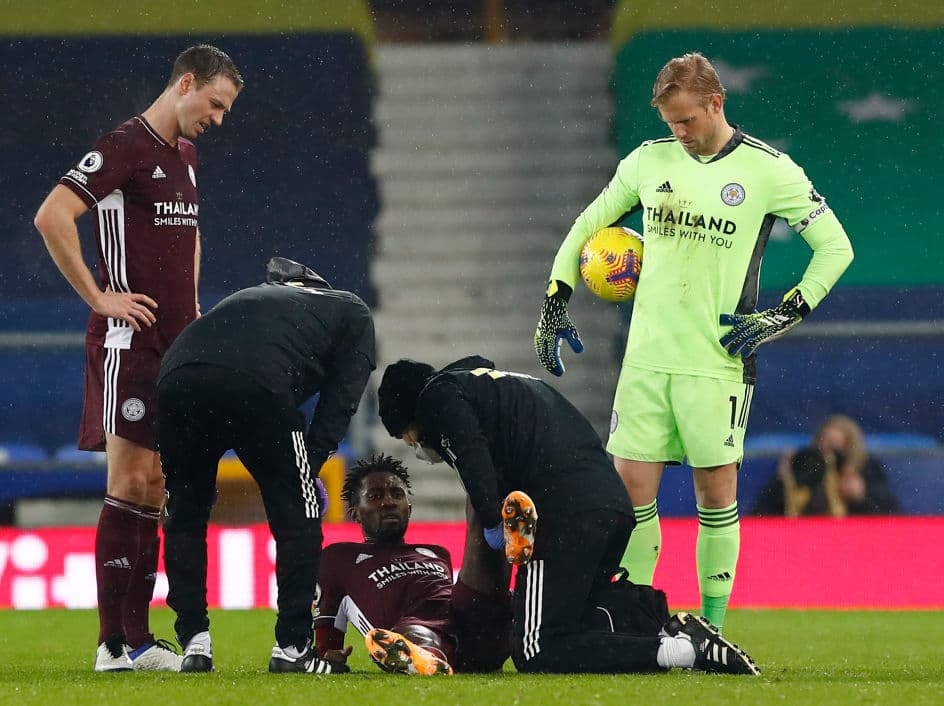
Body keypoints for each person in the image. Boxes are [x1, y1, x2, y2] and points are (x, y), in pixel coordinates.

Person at [533, 52, 854, 630]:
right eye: (670, 124)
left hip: (717, 360)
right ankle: (630, 619)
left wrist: (785, 313)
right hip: (647, 359)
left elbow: (836, 248)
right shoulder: (648, 161)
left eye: (687, 121)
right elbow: (585, 227)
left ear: (716, 103)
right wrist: (556, 296)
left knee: (715, 495)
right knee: (628, 499)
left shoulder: (769, 170)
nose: (679, 134)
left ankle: (711, 627)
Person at [33, 45, 243, 672]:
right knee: (128, 482)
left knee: (154, 486)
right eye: (215, 104)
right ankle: (110, 645)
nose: (218, 119)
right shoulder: (125, 144)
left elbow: (192, 232)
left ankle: (138, 639)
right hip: (132, 341)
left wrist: (196, 307)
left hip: (176, 343)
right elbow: (53, 216)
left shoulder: (185, 156)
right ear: (186, 83)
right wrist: (100, 297)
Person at [377, 355, 760, 675]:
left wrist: (494, 525)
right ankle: (652, 618)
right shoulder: (486, 381)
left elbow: (472, 455)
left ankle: (683, 651)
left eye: (406, 435)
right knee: (575, 619)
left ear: (408, 413)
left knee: (535, 648)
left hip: (564, 514)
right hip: (611, 506)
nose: (412, 443)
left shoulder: (437, 399)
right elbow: (481, 375)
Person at [157, 257, 375, 674]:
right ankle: (292, 647)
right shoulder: (350, 309)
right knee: (299, 513)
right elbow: (341, 402)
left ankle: (193, 642)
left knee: (186, 513)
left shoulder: (251, 297)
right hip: (254, 383)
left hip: (176, 377)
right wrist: (307, 469)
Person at [314, 453, 513, 675]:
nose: (389, 502)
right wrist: (328, 654)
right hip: (418, 633)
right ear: (356, 514)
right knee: (415, 630)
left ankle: (508, 514)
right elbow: (327, 638)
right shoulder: (338, 557)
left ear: (409, 509)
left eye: (397, 494)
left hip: (476, 627)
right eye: (375, 495)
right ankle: (423, 658)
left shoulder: (437, 553)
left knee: (481, 520)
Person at [751, 415, 900, 517]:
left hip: (851, 540)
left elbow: (893, 518)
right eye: (824, 444)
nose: (829, 454)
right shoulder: (805, 467)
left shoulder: (865, 470)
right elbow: (759, 515)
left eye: (836, 448)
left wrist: (862, 498)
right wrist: (783, 483)